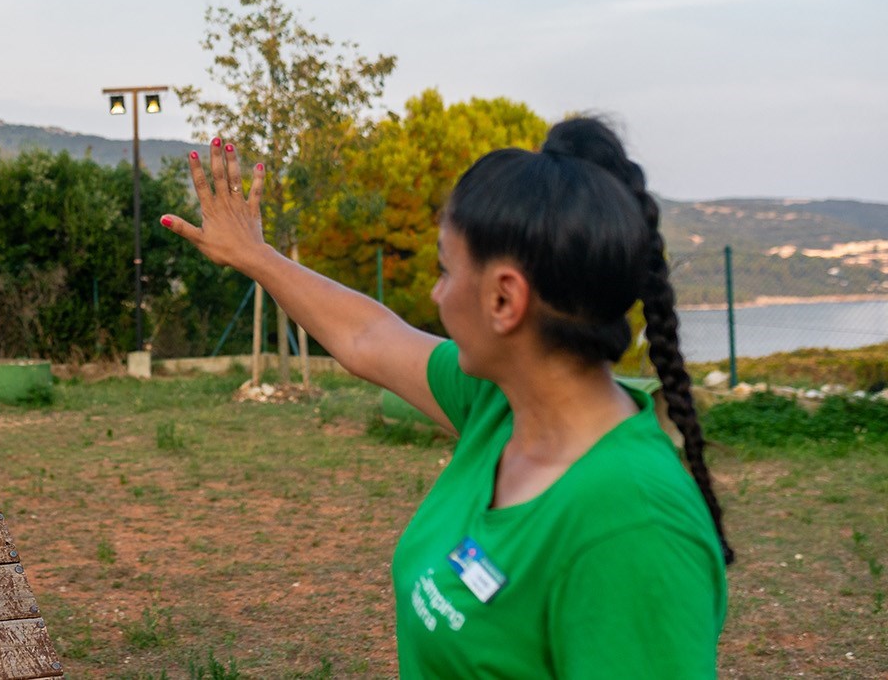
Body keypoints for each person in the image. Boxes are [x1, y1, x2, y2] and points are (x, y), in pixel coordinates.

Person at [160, 118, 730, 678]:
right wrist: (256, 256)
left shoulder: (634, 529)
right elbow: (369, 337)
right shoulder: (499, 407)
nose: (434, 294)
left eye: (444, 269)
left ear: (505, 299)